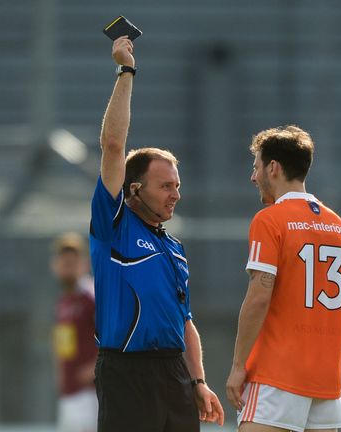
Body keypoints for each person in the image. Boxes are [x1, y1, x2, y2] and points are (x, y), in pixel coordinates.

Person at [89, 36, 224, 431]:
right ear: (134, 188)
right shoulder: (112, 226)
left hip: (175, 375)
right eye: (165, 186)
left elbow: (185, 322)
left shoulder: (174, 248)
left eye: (177, 185)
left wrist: (198, 380)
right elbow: (113, 146)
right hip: (126, 373)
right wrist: (126, 70)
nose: (176, 195)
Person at [226, 126, 341, 432]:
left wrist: (237, 367)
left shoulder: (269, 219)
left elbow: (258, 297)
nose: (253, 176)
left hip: (276, 376)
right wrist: (332, 366)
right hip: (326, 383)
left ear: (273, 168)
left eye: (256, 166)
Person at [51, 232, 98, 432]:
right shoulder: (64, 301)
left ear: (84, 264)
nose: (67, 267)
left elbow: (115, 336)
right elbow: (63, 342)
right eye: (63, 262)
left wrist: (95, 367)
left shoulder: (91, 297)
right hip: (70, 392)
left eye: (72, 262)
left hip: (90, 393)